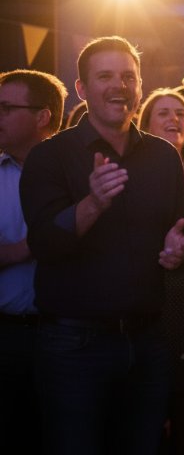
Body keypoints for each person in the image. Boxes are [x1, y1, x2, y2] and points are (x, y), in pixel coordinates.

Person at [20, 36, 184, 454]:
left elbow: (180, 230)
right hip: (74, 346)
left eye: (128, 76)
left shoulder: (163, 156)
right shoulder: (50, 156)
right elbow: (45, 244)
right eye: (105, 76)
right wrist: (93, 203)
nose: (119, 85)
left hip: (147, 341)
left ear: (140, 85)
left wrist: (178, 250)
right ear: (81, 88)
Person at [138, 88, 184, 454]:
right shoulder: (136, 176)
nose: (174, 119)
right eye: (163, 113)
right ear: (145, 124)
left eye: (181, 113)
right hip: (151, 297)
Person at [0, 69, 66, 455]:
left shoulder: (77, 175)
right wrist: (26, 248)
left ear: (42, 117)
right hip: (7, 336)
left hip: (70, 336)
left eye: (7, 108)